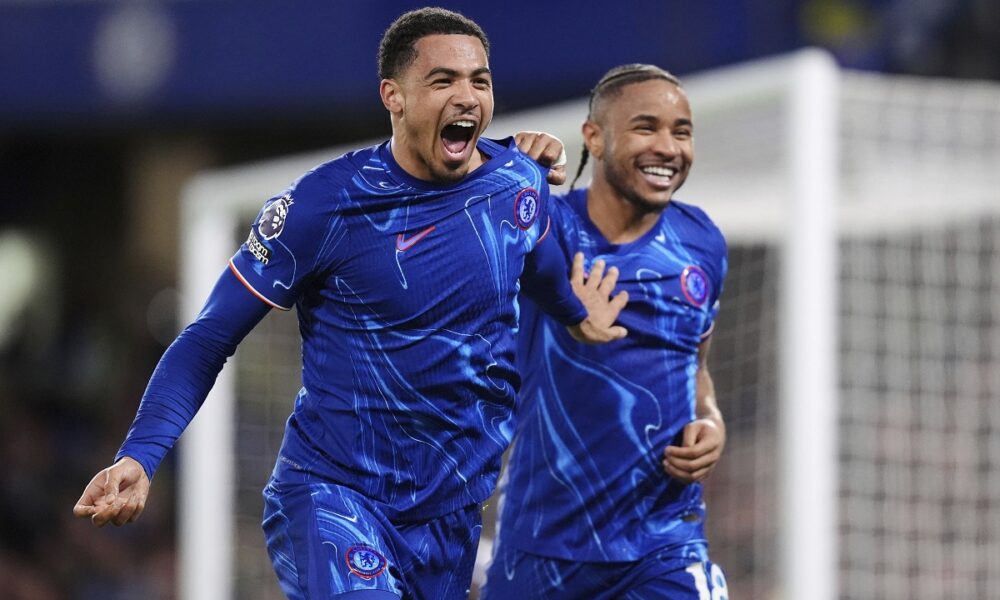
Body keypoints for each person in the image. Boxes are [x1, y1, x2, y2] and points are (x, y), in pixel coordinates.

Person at [72, 8, 628, 600]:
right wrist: (141, 453)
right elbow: (208, 335)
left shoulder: (517, 183)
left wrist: (575, 311)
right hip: (333, 498)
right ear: (393, 95)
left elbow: (538, 263)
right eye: (443, 81)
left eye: (480, 81)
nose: (467, 96)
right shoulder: (325, 205)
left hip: (450, 514)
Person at [482, 64, 730, 599]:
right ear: (593, 136)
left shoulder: (702, 242)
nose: (668, 147)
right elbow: (465, 200)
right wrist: (517, 164)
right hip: (544, 543)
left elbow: (698, 367)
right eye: (646, 127)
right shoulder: (545, 228)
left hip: (664, 543)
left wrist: (710, 421)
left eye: (681, 132)